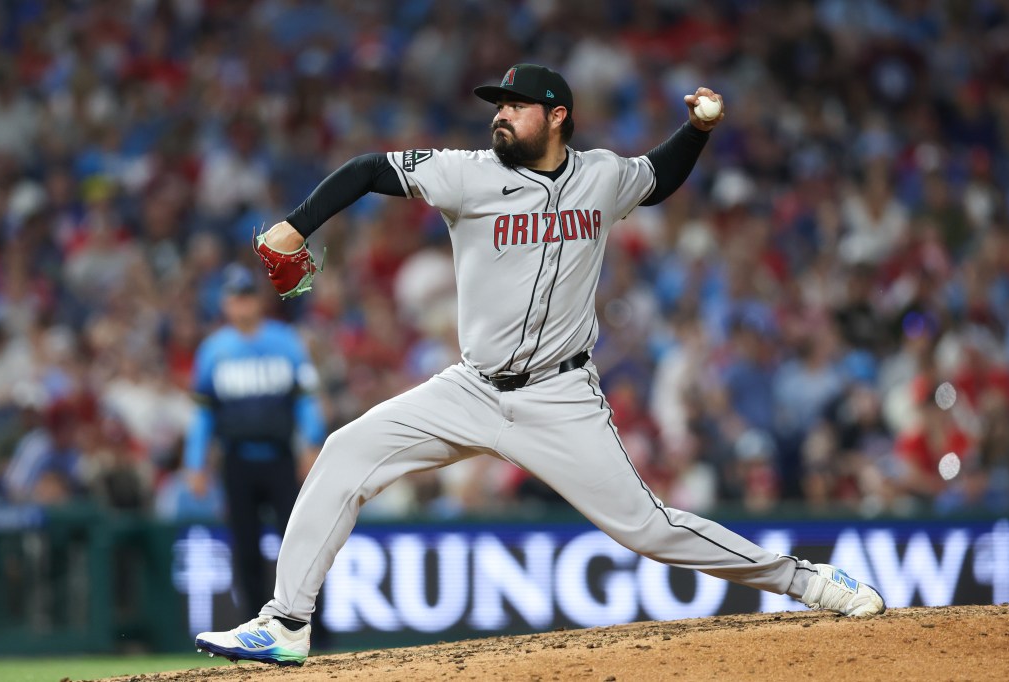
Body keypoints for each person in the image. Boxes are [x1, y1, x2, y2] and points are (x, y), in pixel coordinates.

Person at [195, 64, 885, 667]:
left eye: (515, 104)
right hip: (469, 387)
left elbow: (659, 176)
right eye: (497, 104)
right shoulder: (467, 173)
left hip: (560, 397)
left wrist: (698, 132)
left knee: (649, 528)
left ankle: (805, 582)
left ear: (556, 116)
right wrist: (296, 224)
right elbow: (370, 168)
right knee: (345, 452)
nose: (499, 114)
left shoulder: (602, 176)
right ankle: (285, 623)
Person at [185, 263, 327, 623]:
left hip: (281, 459)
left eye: (248, 298)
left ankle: (312, 625)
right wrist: (195, 461)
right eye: (236, 299)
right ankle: (253, 623)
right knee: (245, 547)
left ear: (258, 302)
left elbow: (306, 400)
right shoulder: (214, 351)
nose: (243, 306)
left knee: (298, 543)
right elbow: (203, 413)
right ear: (225, 304)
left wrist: (312, 444)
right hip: (237, 462)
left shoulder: (286, 342)